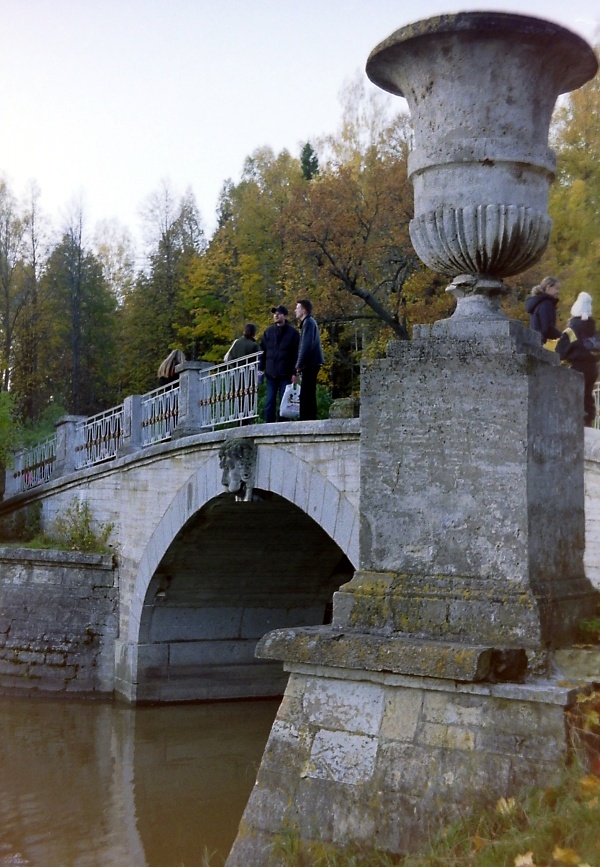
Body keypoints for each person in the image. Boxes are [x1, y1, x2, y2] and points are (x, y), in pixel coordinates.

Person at [556, 291, 599, 427]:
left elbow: (560, 352)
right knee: (587, 394)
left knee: (573, 396)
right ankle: (588, 420)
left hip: (575, 368)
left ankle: (574, 423)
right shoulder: (593, 330)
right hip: (592, 368)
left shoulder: (571, 330)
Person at [259, 305, 300, 423]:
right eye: (275, 313)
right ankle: (269, 425)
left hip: (286, 373)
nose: (276, 315)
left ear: (285, 316)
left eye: (279, 313)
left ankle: (282, 424)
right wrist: (260, 369)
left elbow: (296, 353)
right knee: (269, 401)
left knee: (284, 401)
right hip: (271, 372)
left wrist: (295, 372)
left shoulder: (293, 333)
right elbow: (262, 351)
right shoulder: (268, 332)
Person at [292, 299, 324, 421]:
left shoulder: (308, 323)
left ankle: (307, 418)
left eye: (297, 307)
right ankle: (308, 417)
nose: (295, 310)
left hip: (310, 363)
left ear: (304, 310)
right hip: (312, 362)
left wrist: (299, 364)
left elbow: (306, 345)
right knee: (308, 391)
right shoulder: (309, 323)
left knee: (307, 392)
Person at [525, 276, 562, 345]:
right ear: (548, 287)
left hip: (536, 342)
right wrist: (562, 337)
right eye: (556, 289)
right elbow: (547, 328)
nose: (558, 292)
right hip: (544, 343)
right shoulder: (546, 304)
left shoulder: (537, 303)